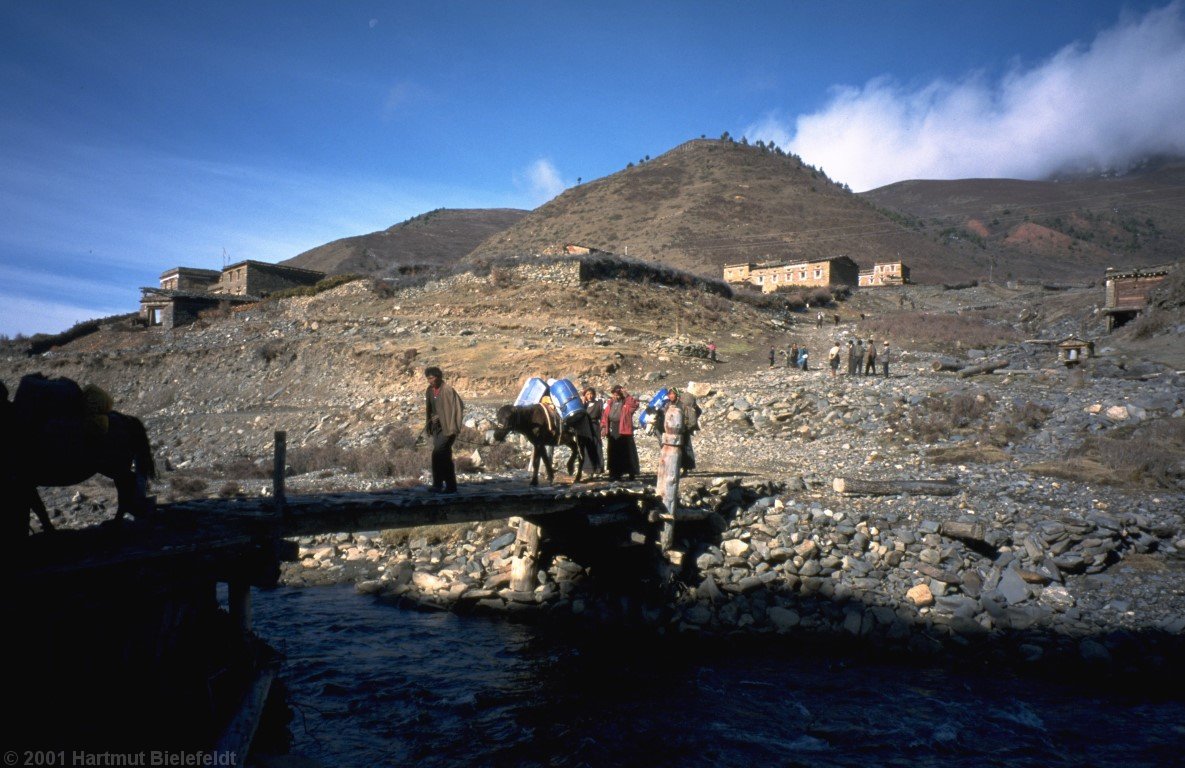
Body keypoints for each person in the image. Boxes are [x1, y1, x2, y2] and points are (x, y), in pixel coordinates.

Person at [423, 365, 464, 493]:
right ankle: (445, 485)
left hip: (448, 428)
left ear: (439, 377)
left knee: (438, 453)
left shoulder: (447, 390)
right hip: (437, 429)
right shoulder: (429, 390)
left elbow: (458, 407)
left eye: (432, 378)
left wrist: (441, 418)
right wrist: (431, 421)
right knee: (443, 455)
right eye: (428, 378)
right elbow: (430, 409)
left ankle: (442, 485)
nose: (430, 381)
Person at [601, 385, 639, 481]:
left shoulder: (626, 403)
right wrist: (604, 428)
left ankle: (631, 473)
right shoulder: (610, 403)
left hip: (624, 430)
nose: (616, 396)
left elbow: (635, 405)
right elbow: (605, 416)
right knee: (613, 452)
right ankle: (615, 473)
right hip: (613, 430)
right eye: (614, 394)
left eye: (618, 395)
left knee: (626, 452)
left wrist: (627, 395)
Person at [580, 387, 605, 474]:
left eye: (591, 394)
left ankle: (598, 468)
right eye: (587, 394)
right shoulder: (584, 405)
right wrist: (582, 404)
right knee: (587, 447)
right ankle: (588, 469)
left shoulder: (599, 403)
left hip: (595, 426)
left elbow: (603, 416)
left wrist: (603, 427)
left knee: (596, 446)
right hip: (586, 428)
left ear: (594, 394)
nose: (589, 396)